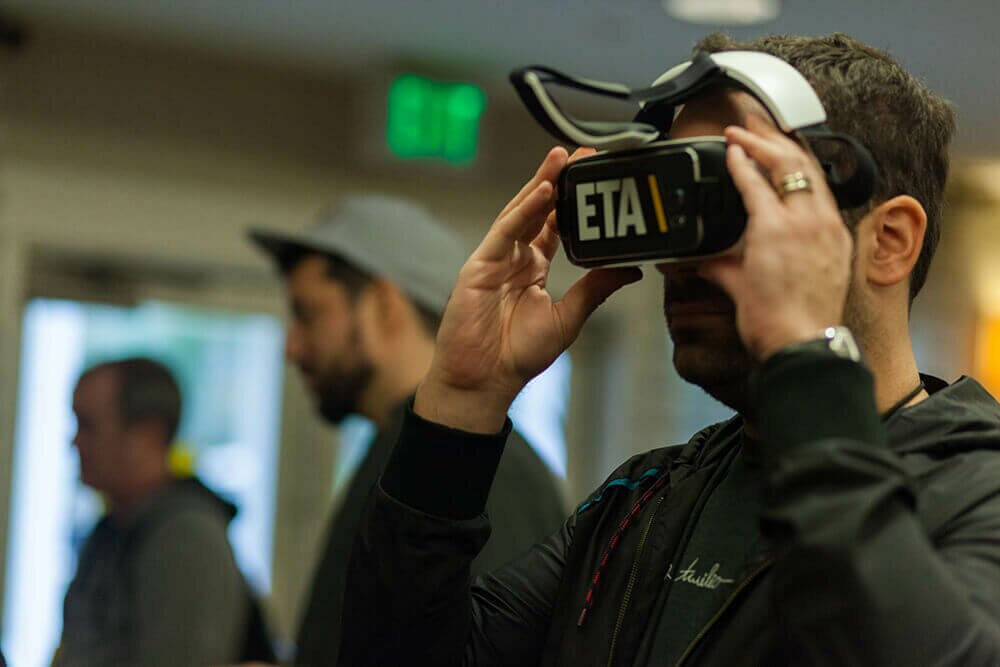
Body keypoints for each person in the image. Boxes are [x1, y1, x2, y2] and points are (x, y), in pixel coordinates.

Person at [338, 33, 1000, 665]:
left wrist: (804, 354)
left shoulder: (976, 493)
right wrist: (460, 406)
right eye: (680, 200)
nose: (683, 256)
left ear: (888, 242)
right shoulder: (646, 500)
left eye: (735, 200)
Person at [249, 195, 566, 667]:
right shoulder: (403, 451)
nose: (291, 348)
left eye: (308, 314)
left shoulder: (476, 468)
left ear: (383, 305)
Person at [55, 357, 271, 667]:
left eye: (88, 426)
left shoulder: (186, 539)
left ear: (149, 434)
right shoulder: (109, 532)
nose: (75, 442)